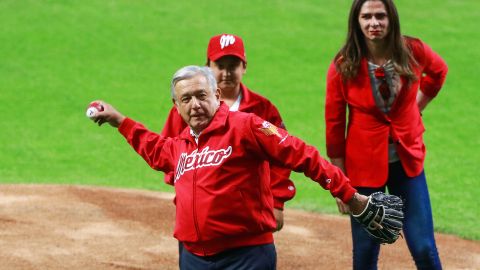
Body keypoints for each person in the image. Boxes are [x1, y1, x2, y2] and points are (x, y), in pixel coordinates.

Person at [89, 65, 390, 270]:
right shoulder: (179, 145)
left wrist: (350, 195)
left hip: (246, 256)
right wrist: (119, 120)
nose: (195, 104)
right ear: (176, 106)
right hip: (193, 257)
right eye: (186, 99)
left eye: (201, 95)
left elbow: (301, 154)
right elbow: (153, 149)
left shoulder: (247, 126)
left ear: (217, 96)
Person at [324, 0, 448, 269]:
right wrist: (339, 181)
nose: (374, 23)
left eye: (380, 16)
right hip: (363, 169)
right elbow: (334, 123)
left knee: (424, 247)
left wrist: (417, 105)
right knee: (366, 251)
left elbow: (438, 72)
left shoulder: (413, 50)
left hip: (408, 163)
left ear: (391, 19)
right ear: (356, 22)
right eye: (366, 17)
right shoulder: (343, 64)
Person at [161, 33, 295, 231]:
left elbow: (282, 158)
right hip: (199, 214)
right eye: (220, 66)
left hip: (250, 214)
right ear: (208, 67)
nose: (226, 73)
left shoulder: (263, 109)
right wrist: (186, 188)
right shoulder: (186, 109)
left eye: (232, 66)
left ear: (244, 66)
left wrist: (277, 202)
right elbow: (167, 152)